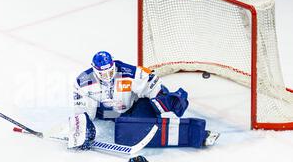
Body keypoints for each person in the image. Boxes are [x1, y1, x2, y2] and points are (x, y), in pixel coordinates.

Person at [68, 51, 219, 150]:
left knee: (134, 127)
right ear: (94, 70)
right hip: (107, 113)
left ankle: (197, 133)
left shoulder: (129, 72)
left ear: (113, 64)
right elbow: (81, 108)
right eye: (103, 73)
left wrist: (163, 101)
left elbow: (152, 83)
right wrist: (82, 127)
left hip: (132, 108)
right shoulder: (83, 81)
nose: (108, 76)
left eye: (110, 71)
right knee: (125, 129)